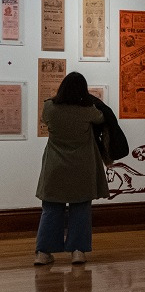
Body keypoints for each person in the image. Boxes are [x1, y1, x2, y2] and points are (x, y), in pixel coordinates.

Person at [34, 71, 109, 266]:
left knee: (50, 208)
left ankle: (43, 252)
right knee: (81, 208)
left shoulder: (49, 107)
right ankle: (78, 252)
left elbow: (45, 120)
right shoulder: (87, 110)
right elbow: (101, 118)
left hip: (55, 166)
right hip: (82, 166)